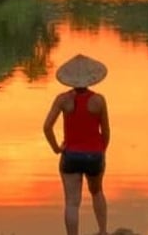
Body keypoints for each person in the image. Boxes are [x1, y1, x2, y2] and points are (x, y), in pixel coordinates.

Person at [43, 54, 111, 235]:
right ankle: (103, 231)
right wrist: (101, 153)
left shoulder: (62, 100)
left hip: (71, 155)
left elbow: (47, 127)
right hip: (94, 155)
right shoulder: (99, 100)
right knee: (97, 192)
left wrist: (56, 148)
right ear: (90, 79)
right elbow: (106, 132)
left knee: (72, 202)